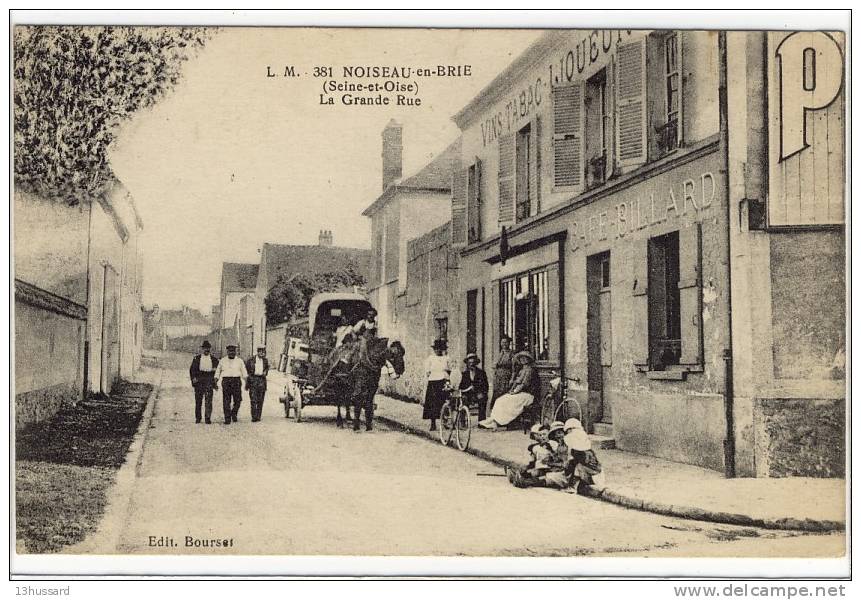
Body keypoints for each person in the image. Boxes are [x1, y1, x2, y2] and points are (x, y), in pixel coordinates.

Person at [478, 351, 540, 430]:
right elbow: (516, 382)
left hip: (528, 395)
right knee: (500, 400)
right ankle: (494, 420)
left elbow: (524, 384)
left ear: (528, 360)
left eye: (525, 358)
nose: (523, 360)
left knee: (507, 401)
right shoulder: (522, 370)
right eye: (521, 358)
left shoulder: (530, 370)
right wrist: (511, 391)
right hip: (520, 393)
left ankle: (497, 421)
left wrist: (514, 392)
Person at [563, 418, 605, 492]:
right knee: (576, 465)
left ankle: (574, 487)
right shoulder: (584, 450)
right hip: (591, 474)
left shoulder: (583, 453)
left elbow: (581, 464)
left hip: (594, 476)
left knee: (578, 466)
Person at [422, 338, 451, 431]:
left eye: (440, 348)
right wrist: (431, 375)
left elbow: (450, 369)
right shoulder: (430, 359)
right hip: (433, 382)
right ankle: (433, 423)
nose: (438, 350)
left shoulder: (446, 358)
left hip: (443, 381)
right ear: (434, 349)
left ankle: (445, 422)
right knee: (433, 403)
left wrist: (447, 376)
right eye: (436, 348)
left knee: (444, 402)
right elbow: (427, 371)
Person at [214, 344, 248, 424]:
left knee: (238, 400)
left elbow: (244, 372)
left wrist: (246, 382)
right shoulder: (222, 360)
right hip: (226, 382)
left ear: (235, 352)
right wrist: (215, 381)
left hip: (236, 381)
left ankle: (234, 413)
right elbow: (217, 372)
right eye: (230, 351)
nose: (231, 353)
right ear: (227, 352)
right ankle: (227, 418)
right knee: (226, 400)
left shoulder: (240, 361)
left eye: (233, 351)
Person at [189, 341, 219, 424]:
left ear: (210, 349)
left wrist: (215, 381)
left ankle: (207, 418)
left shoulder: (214, 360)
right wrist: (193, 379)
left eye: (208, 348)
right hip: (199, 381)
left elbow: (218, 371)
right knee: (198, 400)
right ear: (202, 349)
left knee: (209, 400)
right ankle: (198, 418)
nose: (206, 350)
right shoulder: (196, 359)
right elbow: (192, 370)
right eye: (205, 348)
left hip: (209, 380)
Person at [459, 353, 489, 421]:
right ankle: (462, 421)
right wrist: (467, 389)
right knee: (463, 399)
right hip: (468, 394)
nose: (471, 365)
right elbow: (461, 386)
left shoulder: (481, 373)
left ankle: (481, 421)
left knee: (482, 399)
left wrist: (482, 393)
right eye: (469, 363)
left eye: (473, 363)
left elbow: (485, 386)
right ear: (467, 364)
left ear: (476, 363)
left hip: (478, 393)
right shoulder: (464, 374)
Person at [245, 346, 269, 423]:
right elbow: (247, 371)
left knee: (260, 399)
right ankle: (254, 416)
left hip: (262, 380)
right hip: (253, 380)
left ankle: (258, 416)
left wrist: (265, 372)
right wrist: (248, 381)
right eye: (260, 351)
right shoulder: (250, 360)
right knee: (253, 399)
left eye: (263, 351)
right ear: (257, 352)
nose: (262, 353)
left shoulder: (265, 360)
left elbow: (267, 368)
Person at [491, 335, 515, 413]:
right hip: (498, 377)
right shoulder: (500, 353)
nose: (504, 344)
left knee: (504, 395)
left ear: (509, 343)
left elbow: (514, 367)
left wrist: (512, 378)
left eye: (505, 342)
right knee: (496, 394)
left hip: (506, 376)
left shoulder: (511, 354)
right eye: (502, 342)